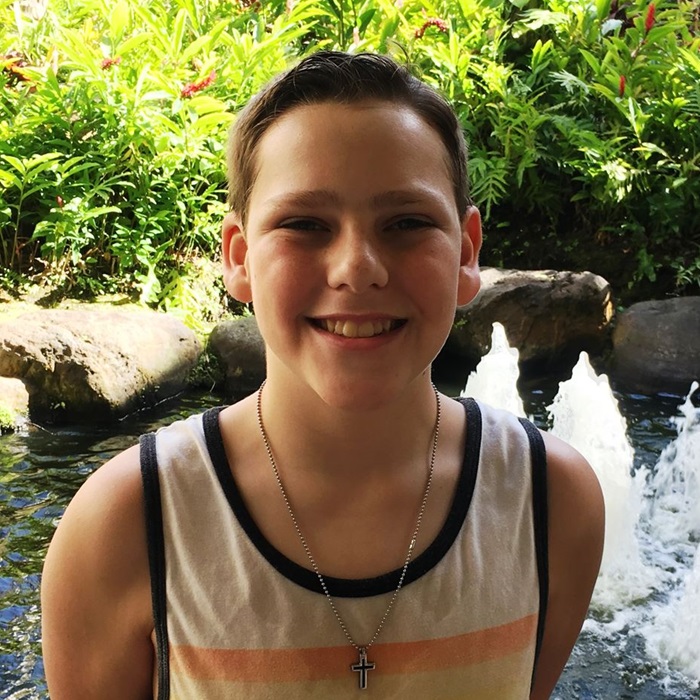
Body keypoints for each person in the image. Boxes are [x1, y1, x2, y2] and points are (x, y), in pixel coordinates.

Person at [41, 51, 604, 699]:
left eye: (407, 223)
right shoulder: (128, 526)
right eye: (304, 224)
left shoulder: (551, 503)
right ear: (240, 258)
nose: (356, 268)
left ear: (466, 253)